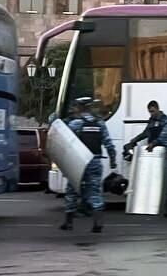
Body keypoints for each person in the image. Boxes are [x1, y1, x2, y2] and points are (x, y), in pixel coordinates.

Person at [61, 96, 117, 233]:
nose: (74, 109)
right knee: (95, 191)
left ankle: (68, 223)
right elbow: (108, 143)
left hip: (79, 162)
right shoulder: (100, 124)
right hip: (95, 161)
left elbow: (64, 142)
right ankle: (98, 223)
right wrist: (112, 159)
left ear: (80, 108)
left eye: (76, 107)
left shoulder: (76, 124)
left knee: (72, 190)